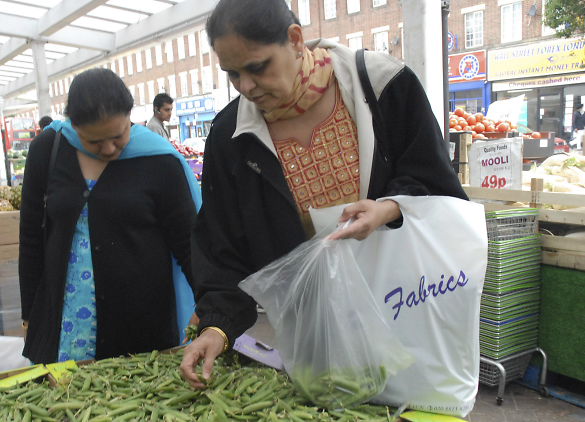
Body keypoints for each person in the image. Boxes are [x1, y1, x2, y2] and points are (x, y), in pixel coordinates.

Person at [179, 0, 469, 388]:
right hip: (313, 341)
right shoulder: (229, 136)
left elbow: (437, 185)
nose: (245, 86)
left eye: (257, 66)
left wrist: (388, 209)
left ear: (295, 39)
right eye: (232, 74)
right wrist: (217, 327)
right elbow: (223, 248)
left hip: (406, 312)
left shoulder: (383, 86)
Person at [18, 68, 201, 364]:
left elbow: (189, 242)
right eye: (94, 141)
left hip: (141, 326)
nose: (109, 148)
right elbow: (31, 237)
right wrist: (30, 317)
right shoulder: (48, 149)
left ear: (130, 115)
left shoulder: (157, 159)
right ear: (73, 125)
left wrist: (207, 304)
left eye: (118, 136)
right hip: (64, 324)